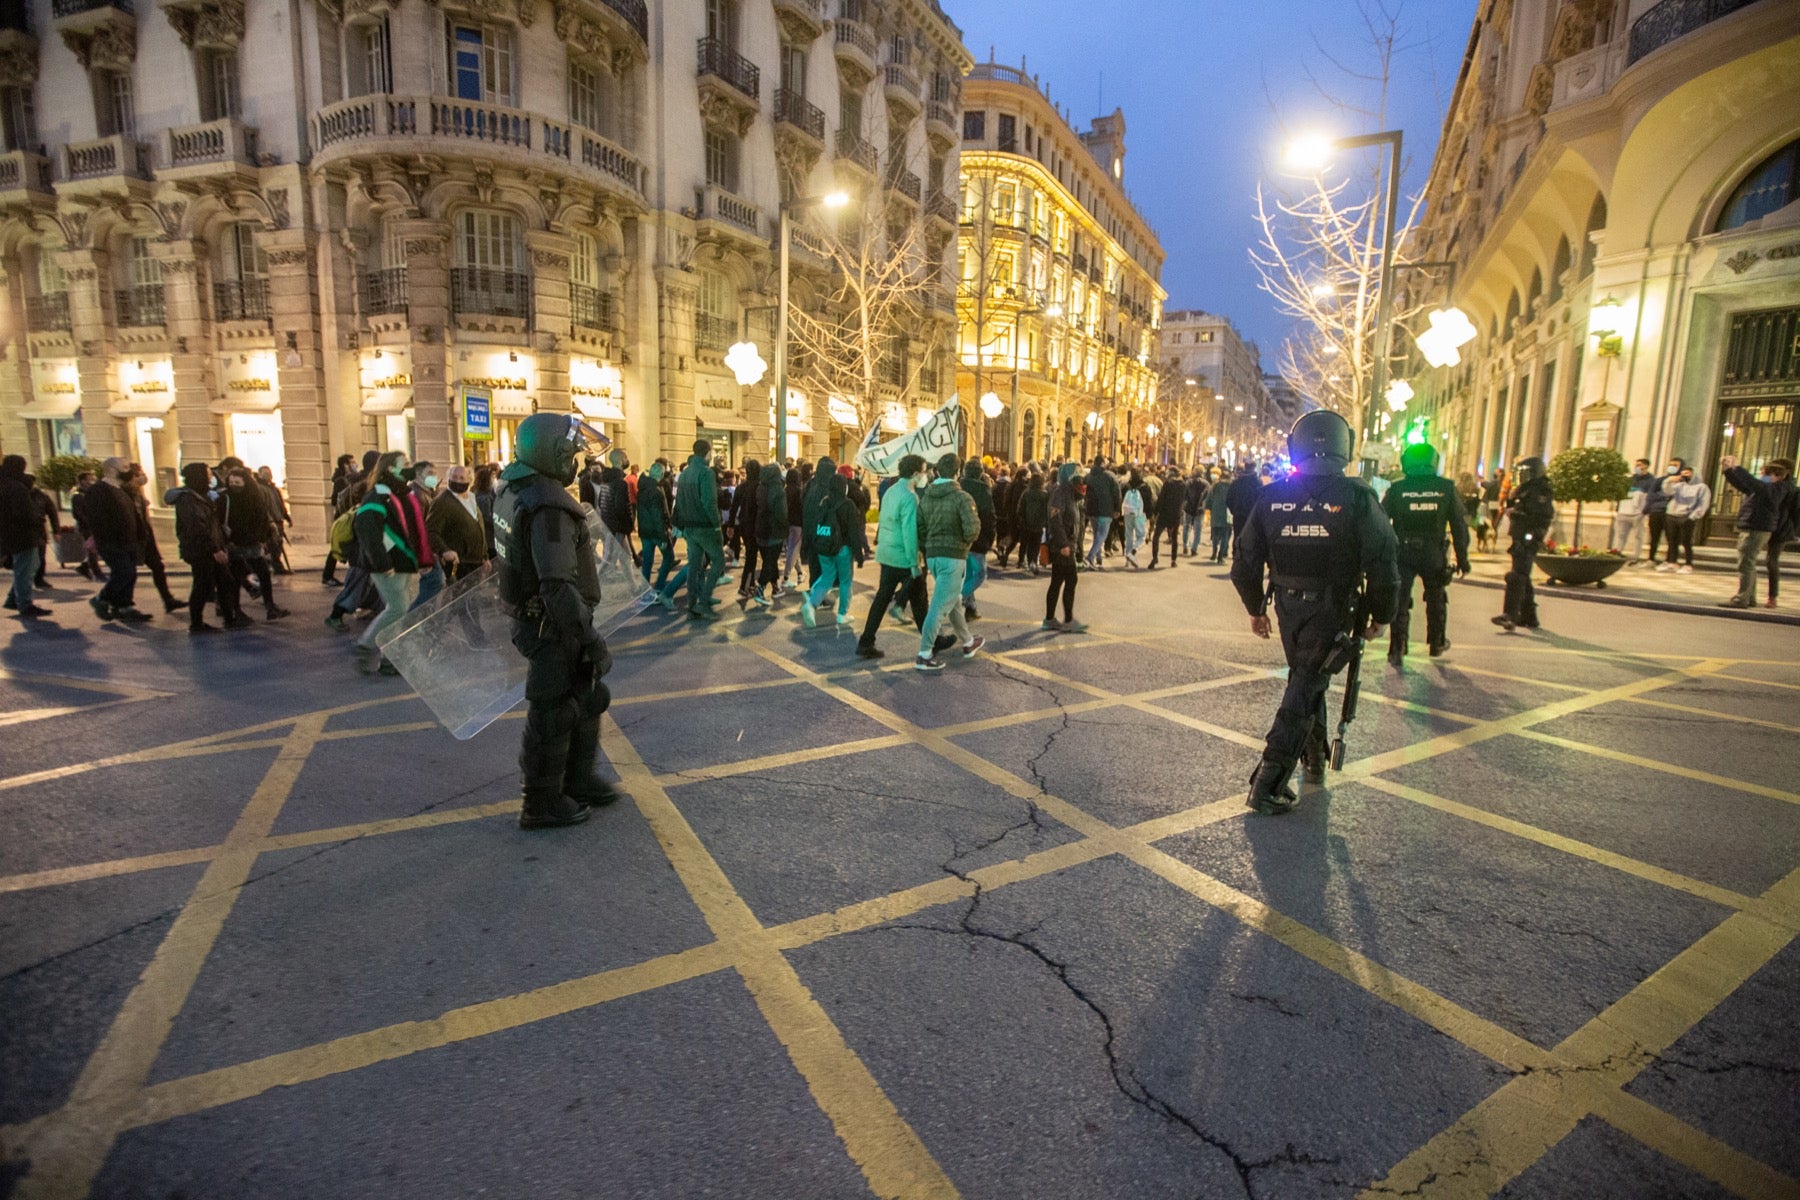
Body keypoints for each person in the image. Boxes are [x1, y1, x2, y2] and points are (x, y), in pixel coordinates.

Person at [1232, 411, 1398, 814]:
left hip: (1287, 606)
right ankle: (1268, 780)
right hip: (1333, 607)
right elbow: (1383, 558)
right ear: (1345, 446)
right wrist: (1383, 614)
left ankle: (1313, 758)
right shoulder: (1358, 497)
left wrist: (1256, 608)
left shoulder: (1271, 496)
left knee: (1307, 679)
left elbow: (1244, 562)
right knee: (1306, 682)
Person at [493, 412, 622, 830]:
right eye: (570, 452)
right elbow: (557, 586)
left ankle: (577, 781)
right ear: (552, 454)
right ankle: (541, 800)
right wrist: (590, 640)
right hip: (554, 625)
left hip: (543, 620)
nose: (576, 459)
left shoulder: (515, 490)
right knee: (553, 711)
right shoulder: (548, 507)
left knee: (586, 696)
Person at [1382, 442, 1471, 664]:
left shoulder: (1397, 489)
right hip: (1433, 552)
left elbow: (1382, 522)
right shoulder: (1446, 488)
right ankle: (1436, 643)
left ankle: (1397, 647)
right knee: (1436, 597)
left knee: (1400, 600)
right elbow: (1459, 526)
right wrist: (1463, 559)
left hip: (1403, 551)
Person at [352, 451, 428, 674]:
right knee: (397, 609)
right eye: (404, 464)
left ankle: (388, 659)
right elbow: (367, 529)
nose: (409, 467)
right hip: (389, 564)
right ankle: (366, 645)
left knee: (399, 612)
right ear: (389, 469)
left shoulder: (403, 494)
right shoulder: (378, 495)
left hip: (404, 560)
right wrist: (382, 562)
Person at [856, 454, 933, 659]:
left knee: (882, 598)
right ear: (915, 473)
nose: (925, 476)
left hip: (887, 552)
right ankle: (931, 642)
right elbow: (909, 533)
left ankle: (866, 641)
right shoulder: (910, 497)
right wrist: (914, 563)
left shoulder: (891, 491)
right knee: (919, 601)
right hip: (902, 555)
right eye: (924, 471)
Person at [914, 453, 984, 670]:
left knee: (953, 602)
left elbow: (920, 527)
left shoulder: (927, 497)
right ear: (958, 472)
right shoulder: (962, 498)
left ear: (937, 471)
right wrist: (963, 544)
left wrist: (929, 546)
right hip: (953, 557)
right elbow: (973, 530)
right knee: (939, 606)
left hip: (933, 556)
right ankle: (924, 654)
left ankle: (968, 642)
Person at [173, 462, 248, 633]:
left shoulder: (202, 496)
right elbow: (197, 528)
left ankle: (229, 618)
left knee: (225, 581)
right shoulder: (189, 500)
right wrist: (215, 549)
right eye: (208, 474)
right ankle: (197, 623)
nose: (211, 477)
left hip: (211, 547)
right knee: (203, 585)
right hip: (201, 550)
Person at [1717, 455, 1793, 609]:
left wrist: (1736, 467)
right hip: (1751, 526)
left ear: (1776, 476)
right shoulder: (1766, 488)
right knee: (1747, 562)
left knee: (1746, 563)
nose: (1762, 477)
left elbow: (1754, 483)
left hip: (1758, 528)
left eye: (1765, 474)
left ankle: (1742, 598)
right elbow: (1744, 485)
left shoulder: (1777, 488)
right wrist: (1727, 471)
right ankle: (1749, 596)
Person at [1493, 456, 1555, 632]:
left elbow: (1540, 516)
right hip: (1520, 536)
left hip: (1529, 538)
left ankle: (1510, 615)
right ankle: (1529, 616)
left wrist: (1516, 513)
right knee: (1523, 577)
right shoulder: (1525, 489)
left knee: (1516, 576)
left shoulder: (1540, 491)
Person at [218, 465, 288, 620]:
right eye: (232, 482)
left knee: (263, 574)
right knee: (237, 578)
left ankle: (269, 606)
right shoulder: (225, 498)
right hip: (234, 544)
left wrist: (263, 539)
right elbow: (219, 522)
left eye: (238, 482)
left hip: (252, 542)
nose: (234, 485)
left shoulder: (253, 498)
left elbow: (261, 518)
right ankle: (237, 610)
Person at [85, 458, 150, 622]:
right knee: (124, 572)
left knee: (130, 573)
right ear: (113, 469)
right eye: (125, 467)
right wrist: (104, 539)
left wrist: (140, 534)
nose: (128, 471)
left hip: (128, 540)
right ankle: (102, 599)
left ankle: (123, 606)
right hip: (111, 542)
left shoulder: (120, 490)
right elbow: (97, 518)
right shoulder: (98, 490)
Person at [124, 463, 186, 614]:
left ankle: (168, 600)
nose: (142, 477)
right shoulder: (124, 493)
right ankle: (124, 604)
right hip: (134, 537)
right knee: (128, 572)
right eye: (139, 474)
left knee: (158, 567)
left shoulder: (137, 492)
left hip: (145, 535)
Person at [799, 471, 859, 628]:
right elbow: (854, 531)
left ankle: (811, 605)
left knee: (827, 577)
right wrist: (859, 553)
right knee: (845, 581)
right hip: (842, 549)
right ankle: (842, 614)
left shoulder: (824, 502)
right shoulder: (848, 505)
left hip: (824, 547)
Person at [674, 438, 724, 620]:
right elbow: (709, 502)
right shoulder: (706, 473)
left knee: (694, 565)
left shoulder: (685, 473)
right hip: (705, 526)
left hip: (690, 526)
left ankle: (692, 601)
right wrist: (717, 525)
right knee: (718, 561)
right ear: (707, 453)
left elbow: (678, 501)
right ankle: (703, 601)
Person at [0, 455, 49, 617]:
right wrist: (38, 519)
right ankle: (24, 603)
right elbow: (24, 513)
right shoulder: (16, 487)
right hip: (23, 534)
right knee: (26, 568)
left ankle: (15, 598)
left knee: (27, 567)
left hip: (9, 533)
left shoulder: (5, 484)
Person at [1043, 461, 1087, 631]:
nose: (1080, 480)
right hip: (1062, 545)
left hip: (1067, 544)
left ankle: (1050, 619)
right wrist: (1063, 544)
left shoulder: (1069, 494)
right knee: (1070, 579)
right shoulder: (1060, 493)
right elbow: (1055, 519)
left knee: (1057, 581)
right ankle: (1067, 621)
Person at [428, 464, 488, 584]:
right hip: (459, 564)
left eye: (461, 478)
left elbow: (479, 527)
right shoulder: (442, 501)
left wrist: (485, 557)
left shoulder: (471, 498)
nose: (457, 480)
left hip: (476, 563)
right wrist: (444, 550)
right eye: (454, 477)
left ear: (469, 480)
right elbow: (431, 531)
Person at [636, 461, 685, 605]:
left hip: (645, 531)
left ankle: (645, 593)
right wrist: (663, 535)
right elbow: (658, 515)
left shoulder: (642, 488)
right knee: (669, 558)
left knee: (648, 562)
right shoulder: (656, 491)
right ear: (660, 473)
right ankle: (658, 587)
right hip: (656, 532)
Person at [743, 459, 786, 610]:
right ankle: (761, 590)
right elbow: (781, 513)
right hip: (774, 530)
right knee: (770, 561)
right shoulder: (778, 489)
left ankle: (775, 587)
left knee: (769, 560)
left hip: (760, 529)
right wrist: (785, 527)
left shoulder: (761, 487)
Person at [407, 461, 448, 609]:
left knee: (433, 583)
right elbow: (417, 528)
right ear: (418, 475)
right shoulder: (417, 495)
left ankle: (422, 617)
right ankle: (414, 619)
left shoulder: (424, 493)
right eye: (430, 473)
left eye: (435, 473)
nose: (434, 477)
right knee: (434, 582)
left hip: (426, 549)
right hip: (424, 550)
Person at [1657, 463, 1710, 574]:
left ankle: (1688, 564)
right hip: (1672, 514)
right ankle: (1672, 562)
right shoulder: (1679, 486)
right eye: (1683, 473)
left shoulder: (1702, 487)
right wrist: (1669, 480)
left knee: (1686, 541)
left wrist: (1693, 516)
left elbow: (1703, 504)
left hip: (1687, 516)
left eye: (1687, 473)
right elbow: (1667, 492)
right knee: (1672, 541)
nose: (1684, 475)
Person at [960, 459, 995, 619]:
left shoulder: (958, 486)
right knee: (980, 574)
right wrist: (990, 538)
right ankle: (960, 597)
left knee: (968, 574)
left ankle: (971, 607)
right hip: (978, 539)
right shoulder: (983, 490)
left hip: (961, 538)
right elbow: (989, 517)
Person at [1611, 458, 1655, 560]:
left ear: (1646, 466)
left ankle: (1636, 555)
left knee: (1638, 536)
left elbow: (1649, 497)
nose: (1637, 467)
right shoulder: (1630, 479)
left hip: (1638, 513)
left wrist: (1644, 511)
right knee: (1620, 534)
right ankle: (1617, 551)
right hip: (1624, 511)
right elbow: (1621, 494)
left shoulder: (1651, 481)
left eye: (1640, 465)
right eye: (1636, 465)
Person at [322, 454, 356, 585]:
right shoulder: (341, 481)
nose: (355, 464)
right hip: (344, 517)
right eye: (352, 462)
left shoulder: (349, 479)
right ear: (345, 465)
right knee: (338, 547)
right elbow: (335, 499)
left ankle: (328, 575)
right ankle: (327, 575)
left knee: (341, 546)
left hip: (348, 515)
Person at [1642, 458, 1681, 565]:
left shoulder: (1682, 482)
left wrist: (1663, 496)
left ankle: (1670, 560)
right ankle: (1651, 559)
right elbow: (1651, 495)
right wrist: (1664, 497)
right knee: (1654, 537)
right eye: (1671, 464)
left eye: (1675, 465)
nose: (1672, 467)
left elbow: (1678, 496)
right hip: (1656, 511)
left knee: (1672, 538)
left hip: (1671, 513)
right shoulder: (1659, 480)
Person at [68, 470, 104, 581]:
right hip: (87, 527)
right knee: (92, 549)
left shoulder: (91, 493)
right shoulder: (77, 496)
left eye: (92, 479)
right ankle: (97, 573)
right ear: (82, 481)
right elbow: (77, 513)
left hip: (95, 525)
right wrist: (89, 522)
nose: (91, 482)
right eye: (89, 480)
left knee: (95, 548)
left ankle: (84, 566)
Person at [1083, 456, 1119, 569]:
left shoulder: (1088, 476)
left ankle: (1097, 559)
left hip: (1092, 509)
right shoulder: (1110, 476)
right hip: (1106, 510)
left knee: (1096, 535)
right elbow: (1117, 493)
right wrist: (1117, 509)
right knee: (1102, 535)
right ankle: (1090, 557)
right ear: (1103, 463)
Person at [255, 465, 292, 573]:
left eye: (269, 473)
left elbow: (280, 503)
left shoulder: (274, 488)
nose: (268, 475)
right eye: (265, 473)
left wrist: (286, 517)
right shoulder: (260, 488)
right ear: (260, 474)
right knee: (273, 545)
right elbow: (264, 506)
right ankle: (276, 566)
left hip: (278, 519)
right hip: (271, 522)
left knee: (278, 544)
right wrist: (270, 520)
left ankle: (277, 565)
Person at [1225, 462, 1264, 561]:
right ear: (1254, 468)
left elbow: (1228, 499)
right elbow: (1261, 499)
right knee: (1252, 536)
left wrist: (1234, 510)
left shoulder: (1237, 482)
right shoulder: (1258, 483)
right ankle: (1249, 557)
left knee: (1237, 535)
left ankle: (1236, 556)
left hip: (1239, 514)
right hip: (1253, 515)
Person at [1015, 471, 1049, 576]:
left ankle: (1023, 560)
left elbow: (1020, 507)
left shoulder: (1026, 493)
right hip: (1039, 523)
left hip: (1026, 523)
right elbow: (1047, 510)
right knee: (1035, 544)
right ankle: (1033, 561)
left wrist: (1021, 518)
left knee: (1025, 542)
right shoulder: (1045, 495)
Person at [1151, 466, 1186, 568]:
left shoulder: (1168, 483)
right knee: (1174, 538)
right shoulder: (1183, 484)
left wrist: (1156, 511)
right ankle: (1173, 560)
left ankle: (1155, 557)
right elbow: (1183, 499)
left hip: (1165, 514)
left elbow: (1161, 498)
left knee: (1156, 536)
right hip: (1176, 514)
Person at [1120, 469, 1147, 568]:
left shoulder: (1126, 486)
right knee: (1142, 536)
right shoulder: (1144, 487)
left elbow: (1121, 499)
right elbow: (1148, 502)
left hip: (1127, 514)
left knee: (1128, 536)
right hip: (1139, 514)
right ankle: (1132, 552)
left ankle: (1127, 559)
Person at [1205, 471, 1232, 563]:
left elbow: (1209, 498)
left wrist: (1208, 508)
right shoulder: (1231, 487)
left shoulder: (1215, 486)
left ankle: (1214, 552)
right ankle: (1221, 555)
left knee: (1215, 534)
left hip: (1215, 511)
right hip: (1227, 513)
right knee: (1225, 535)